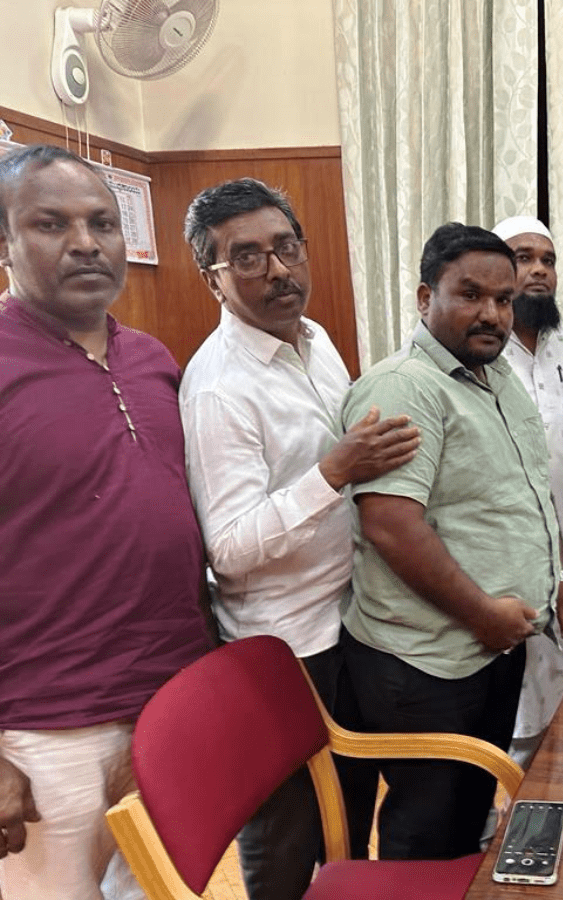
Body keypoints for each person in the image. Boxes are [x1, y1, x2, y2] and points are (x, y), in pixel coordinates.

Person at [338, 223, 563, 860]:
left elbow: (527, 497)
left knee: (467, 820)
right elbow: (390, 524)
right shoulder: (405, 386)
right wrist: (481, 614)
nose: (491, 313)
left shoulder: (495, 377)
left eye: (503, 299)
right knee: (427, 833)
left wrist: (562, 579)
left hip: (489, 647)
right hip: (427, 660)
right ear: (424, 298)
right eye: (470, 295)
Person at [179, 178, 420, 900]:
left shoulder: (315, 341)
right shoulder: (218, 387)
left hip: (349, 618)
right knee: (284, 835)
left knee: (347, 812)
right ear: (213, 280)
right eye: (248, 257)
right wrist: (335, 470)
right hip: (283, 646)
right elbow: (228, 547)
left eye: (287, 247)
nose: (278, 270)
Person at [0, 144, 211, 900]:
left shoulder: (153, 359)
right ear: (5, 243)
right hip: (43, 728)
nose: (86, 243)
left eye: (102, 223)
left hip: (169, 700)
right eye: (51, 224)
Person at [493, 215, 563, 767]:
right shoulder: (481, 351)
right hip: (511, 551)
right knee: (518, 700)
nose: (539, 270)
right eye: (523, 258)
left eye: (548, 260)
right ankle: (514, 800)